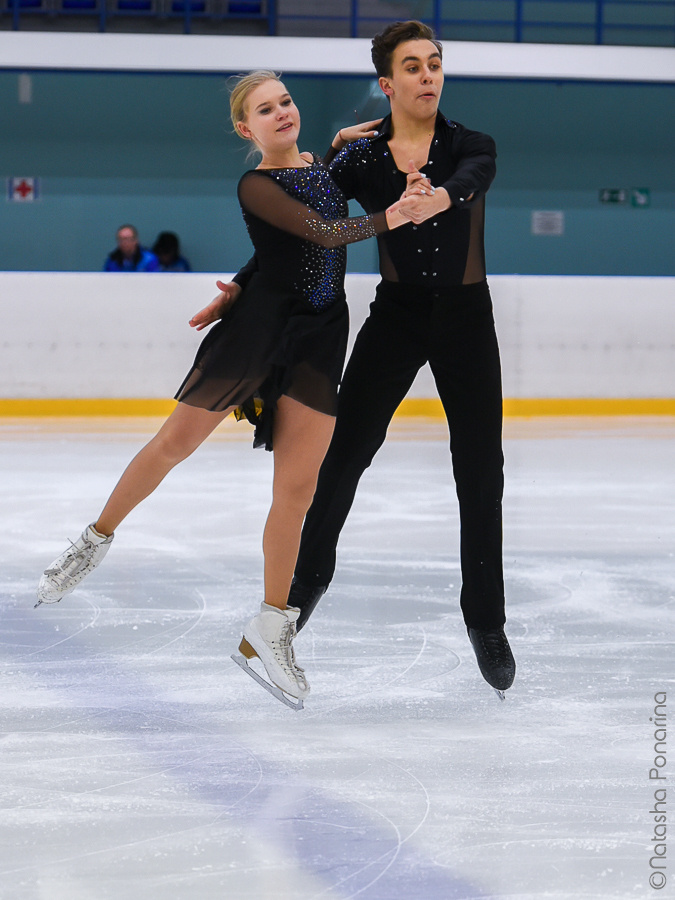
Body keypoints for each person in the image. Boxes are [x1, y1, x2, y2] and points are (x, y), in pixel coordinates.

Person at [36, 71, 413, 707]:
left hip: (320, 337)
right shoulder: (255, 183)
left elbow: (302, 221)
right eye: (265, 110)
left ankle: (270, 625)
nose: (282, 113)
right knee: (172, 444)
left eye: (286, 102)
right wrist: (392, 215)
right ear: (247, 129)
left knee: (297, 488)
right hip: (259, 330)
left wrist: (342, 147)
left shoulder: (323, 167)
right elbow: (317, 233)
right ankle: (92, 542)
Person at [237, 21, 516, 697]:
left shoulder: (470, 147)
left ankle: (485, 620)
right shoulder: (357, 161)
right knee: (344, 456)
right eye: (412, 67)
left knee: (479, 467)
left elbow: (473, 178)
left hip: (464, 319)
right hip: (394, 318)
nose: (427, 76)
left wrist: (437, 197)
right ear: (387, 84)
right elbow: (300, 228)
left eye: (434, 64)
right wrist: (242, 287)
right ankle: (297, 599)